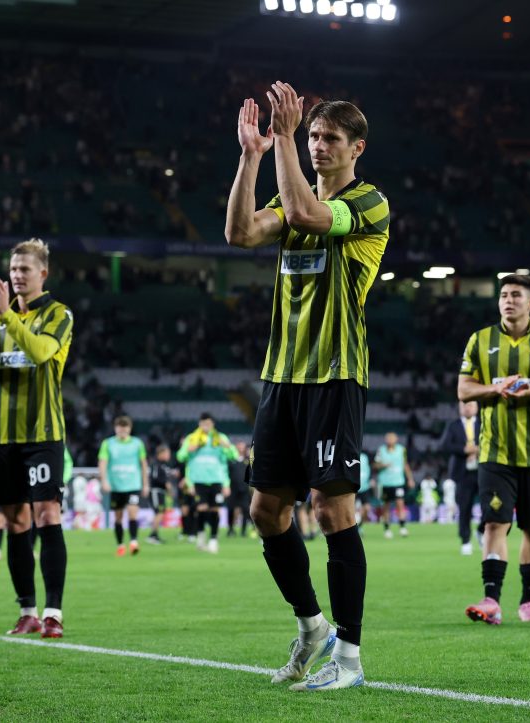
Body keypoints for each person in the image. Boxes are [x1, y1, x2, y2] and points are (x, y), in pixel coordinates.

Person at [225, 83, 389, 690]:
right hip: (283, 378)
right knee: (266, 511)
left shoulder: (369, 203)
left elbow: (305, 215)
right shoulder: (287, 190)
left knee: (331, 509)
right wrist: (251, 156)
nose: (319, 147)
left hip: (335, 375)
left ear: (357, 148)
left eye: (330, 139)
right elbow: (240, 234)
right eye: (313, 136)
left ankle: (349, 656)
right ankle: (312, 626)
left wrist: (285, 140)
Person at [0, 238, 73, 638]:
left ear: (43, 273)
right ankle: (28, 611)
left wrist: (6, 317)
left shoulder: (59, 315)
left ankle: (54, 613)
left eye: (24, 270)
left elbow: (41, 352)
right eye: (13, 270)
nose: (17, 276)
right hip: (3, 438)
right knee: (15, 523)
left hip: (43, 434)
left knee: (46, 515)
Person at [459, 274, 530, 625]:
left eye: (516, 295)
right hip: (494, 451)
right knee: (495, 523)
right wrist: (495, 389)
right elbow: (463, 390)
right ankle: (491, 599)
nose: (509, 300)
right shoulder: (480, 340)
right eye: (504, 295)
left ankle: (528, 601)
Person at [176, 413, 238, 554]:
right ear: (199, 424)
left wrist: (228, 446)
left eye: (208, 424)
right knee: (201, 509)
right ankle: (201, 537)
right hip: (198, 481)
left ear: (213, 424)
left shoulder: (220, 438)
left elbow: (234, 456)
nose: (206, 427)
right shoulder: (192, 438)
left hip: (216, 480)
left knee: (215, 510)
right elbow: (180, 456)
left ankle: (213, 539)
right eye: (203, 424)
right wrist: (189, 449)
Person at [98, 416, 150, 556]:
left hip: (133, 484)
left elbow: (143, 464)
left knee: (133, 512)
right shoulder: (108, 443)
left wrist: (145, 484)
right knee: (118, 516)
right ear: (116, 428)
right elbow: (103, 463)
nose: (122, 430)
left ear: (129, 428)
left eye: (125, 427)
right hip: (116, 486)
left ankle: (133, 542)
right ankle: (120, 545)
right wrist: (104, 481)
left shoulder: (137, 443)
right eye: (120, 427)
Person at [438, 401, 481, 555]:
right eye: (464, 405)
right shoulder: (453, 425)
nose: (467, 407)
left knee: (489, 506)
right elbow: (444, 446)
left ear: (476, 407)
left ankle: (482, 531)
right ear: (460, 408)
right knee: (465, 508)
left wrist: (478, 449)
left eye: (470, 405)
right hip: (463, 473)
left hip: (483, 471)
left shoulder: (484, 423)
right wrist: (464, 449)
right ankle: (465, 541)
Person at [372, 432, 415, 539]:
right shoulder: (381, 450)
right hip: (385, 482)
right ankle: (387, 529)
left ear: (396, 439)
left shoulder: (401, 450)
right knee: (385, 506)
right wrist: (382, 465)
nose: (390, 440)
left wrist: (410, 479)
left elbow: (405, 464)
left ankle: (402, 527)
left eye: (392, 438)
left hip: (398, 482)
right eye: (388, 438)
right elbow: (375, 465)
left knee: (400, 503)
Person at [147, 444, 180, 544]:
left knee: (160, 512)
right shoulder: (156, 464)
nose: (168, 455)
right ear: (160, 454)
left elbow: (168, 473)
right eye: (166, 453)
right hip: (156, 491)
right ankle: (153, 535)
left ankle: (154, 534)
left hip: (161, 492)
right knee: (159, 512)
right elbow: (155, 477)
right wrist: (167, 485)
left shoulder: (164, 465)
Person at [227, 441, 254, 538]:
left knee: (245, 510)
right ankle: (230, 529)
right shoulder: (231, 460)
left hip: (244, 489)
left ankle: (243, 530)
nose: (240, 449)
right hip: (232, 488)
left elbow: (251, 475)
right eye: (238, 446)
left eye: (242, 447)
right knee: (230, 509)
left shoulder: (248, 461)